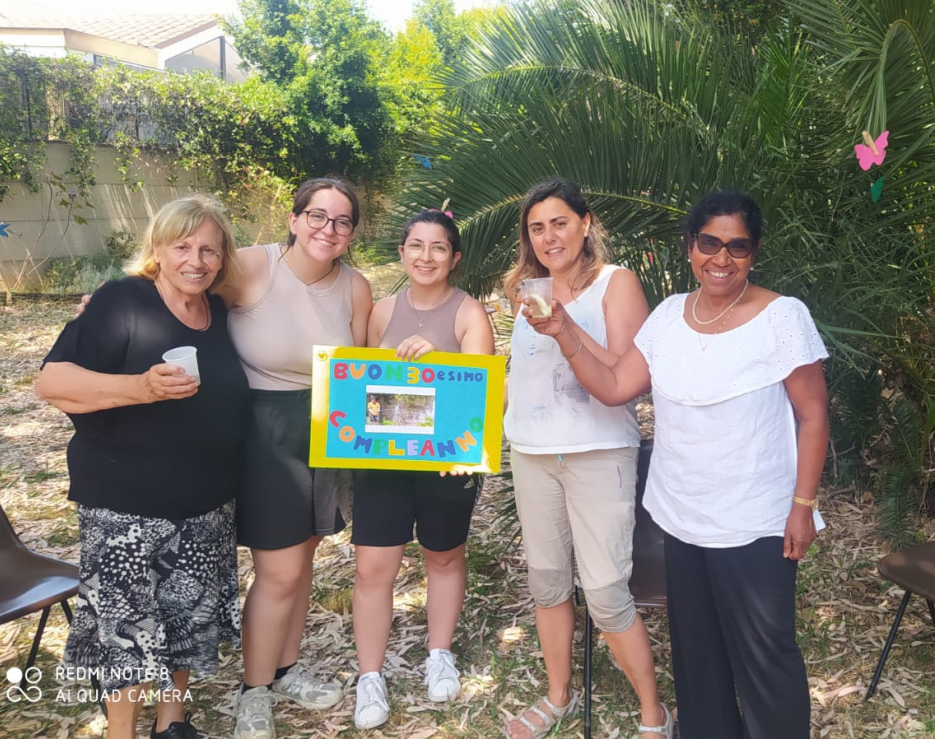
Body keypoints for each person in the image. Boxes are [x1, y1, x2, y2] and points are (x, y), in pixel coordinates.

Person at [527, 190, 829, 739]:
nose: (721, 258)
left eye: (738, 247)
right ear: (690, 246)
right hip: (683, 519)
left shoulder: (783, 317)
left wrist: (802, 505)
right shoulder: (669, 316)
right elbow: (615, 385)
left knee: (766, 658)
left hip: (755, 522)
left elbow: (812, 415)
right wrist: (564, 330)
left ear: (754, 252)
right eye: (709, 243)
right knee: (698, 658)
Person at [35, 195, 249, 739]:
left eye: (209, 250)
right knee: (127, 634)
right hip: (127, 507)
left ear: (223, 257)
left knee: (184, 621)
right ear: (157, 247)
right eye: (182, 247)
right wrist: (141, 387)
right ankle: (121, 733)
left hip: (206, 503)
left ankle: (172, 724)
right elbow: (51, 383)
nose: (195, 260)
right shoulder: (121, 301)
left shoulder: (218, 310)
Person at [503, 178, 673, 739]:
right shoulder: (523, 289)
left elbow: (628, 376)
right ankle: (559, 697)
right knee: (548, 582)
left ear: (585, 223)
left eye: (559, 223)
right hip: (531, 455)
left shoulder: (615, 283)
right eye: (537, 228)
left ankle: (653, 712)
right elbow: (520, 376)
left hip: (600, 454)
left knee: (605, 592)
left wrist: (565, 326)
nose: (549, 237)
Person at [224, 177, 373, 739]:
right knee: (279, 571)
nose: (328, 229)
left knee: (304, 557)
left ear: (351, 233)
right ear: (293, 219)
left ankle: (284, 669)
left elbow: (364, 371)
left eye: (341, 221)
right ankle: (253, 690)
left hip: (327, 430)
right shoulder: (250, 266)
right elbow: (177, 294)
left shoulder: (355, 287)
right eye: (317, 215)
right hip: (266, 432)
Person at [351, 209, 495, 730]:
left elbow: (482, 396)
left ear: (455, 258)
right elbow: (361, 387)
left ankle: (440, 653)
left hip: (446, 465)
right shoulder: (381, 311)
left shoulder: (469, 313)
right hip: (383, 461)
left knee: (444, 556)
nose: (426, 256)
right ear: (402, 252)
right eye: (416, 245)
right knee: (373, 568)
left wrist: (438, 361)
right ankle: (370, 676)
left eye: (438, 248)